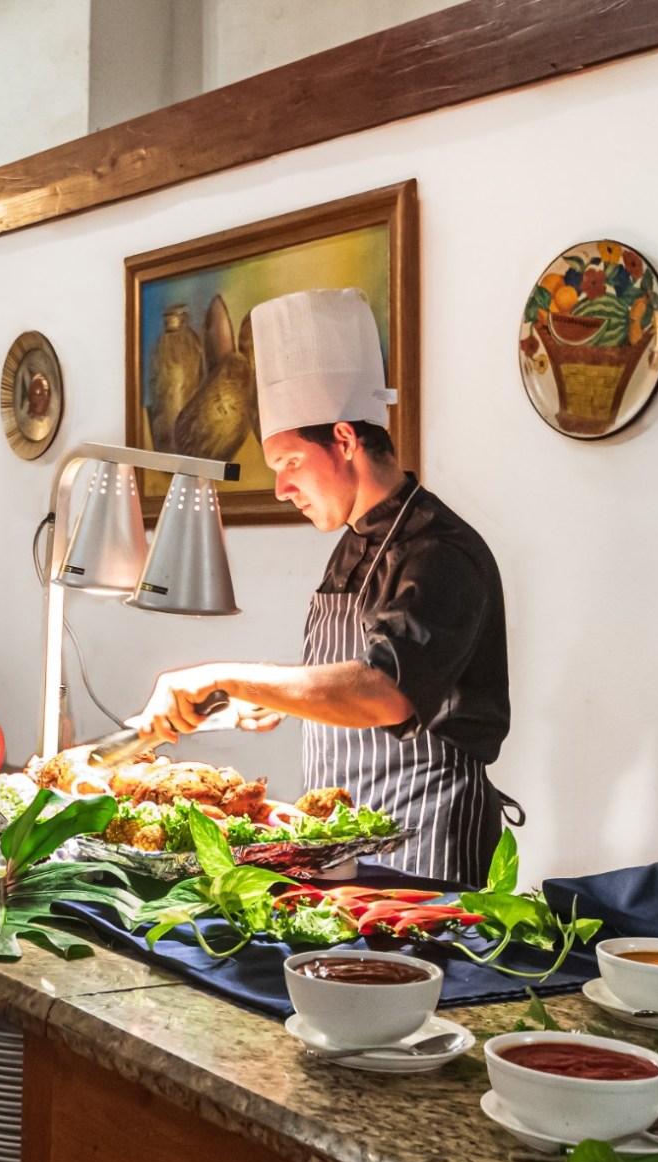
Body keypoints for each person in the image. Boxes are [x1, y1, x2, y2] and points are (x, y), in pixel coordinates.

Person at [133, 288, 512, 884]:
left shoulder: (441, 553)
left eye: (288, 463)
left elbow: (383, 690)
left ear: (343, 440)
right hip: (339, 843)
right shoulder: (353, 541)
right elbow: (345, 677)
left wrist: (227, 675)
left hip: (425, 849)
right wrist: (260, 698)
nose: (282, 488)